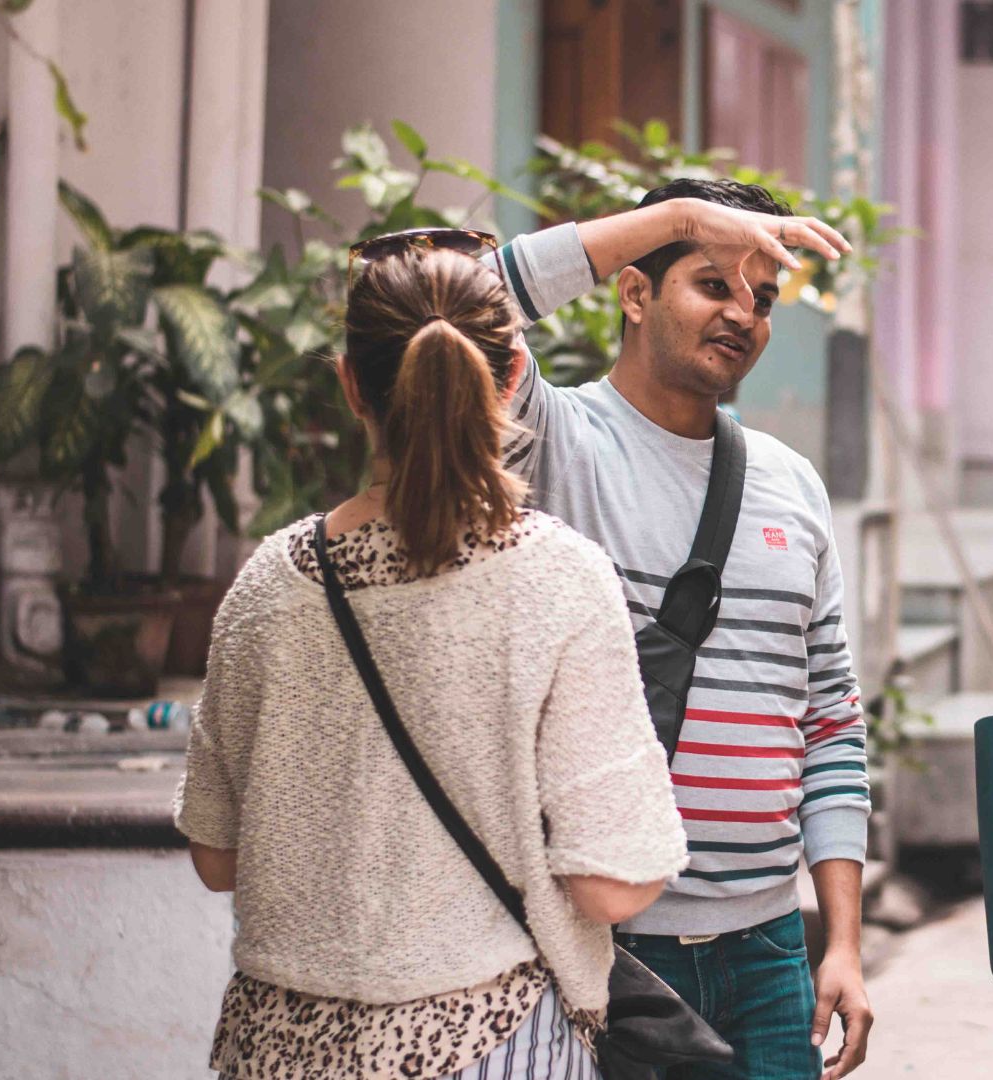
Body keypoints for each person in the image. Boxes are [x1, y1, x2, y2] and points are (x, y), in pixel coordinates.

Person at [174, 239, 692, 1078]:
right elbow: (612, 883)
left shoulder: (268, 584)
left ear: (351, 384)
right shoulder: (557, 578)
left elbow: (215, 856)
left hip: (278, 1048)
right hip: (489, 1040)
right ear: (512, 375)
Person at [485, 181, 873, 1079]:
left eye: (763, 298)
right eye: (712, 283)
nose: (743, 314)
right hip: (604, 948)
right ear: (634, 291)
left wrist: (843, 944)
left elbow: (830, 722)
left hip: (771, 952)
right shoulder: (555, 440)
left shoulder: (793, 485)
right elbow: (461, 304)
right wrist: (679, 221)